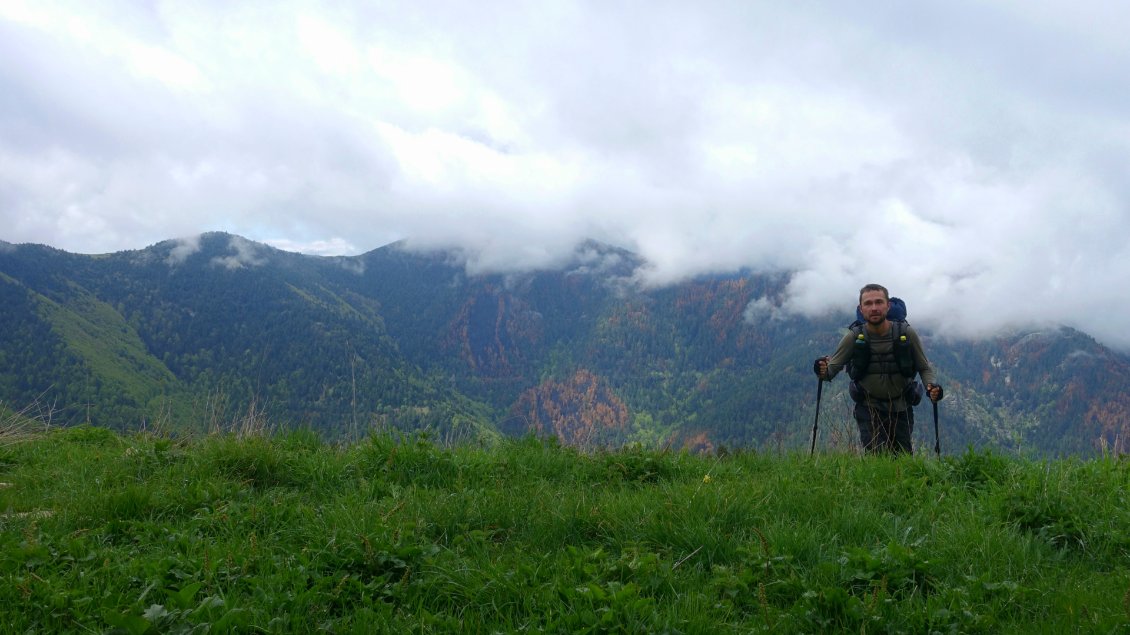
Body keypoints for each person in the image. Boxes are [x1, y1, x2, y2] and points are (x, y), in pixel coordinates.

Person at [814, 283, 943, 454]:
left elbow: (924, 367)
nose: (874, 308)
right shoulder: (853, 338)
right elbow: (829, 373)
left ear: (887, 305)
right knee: (877, 458)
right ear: (861, 308)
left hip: (901, 407)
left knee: (902, 460)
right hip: (868, 409)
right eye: (868, 304)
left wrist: (931, 387)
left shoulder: (906, 333)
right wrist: (820, 368)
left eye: (879, 302)